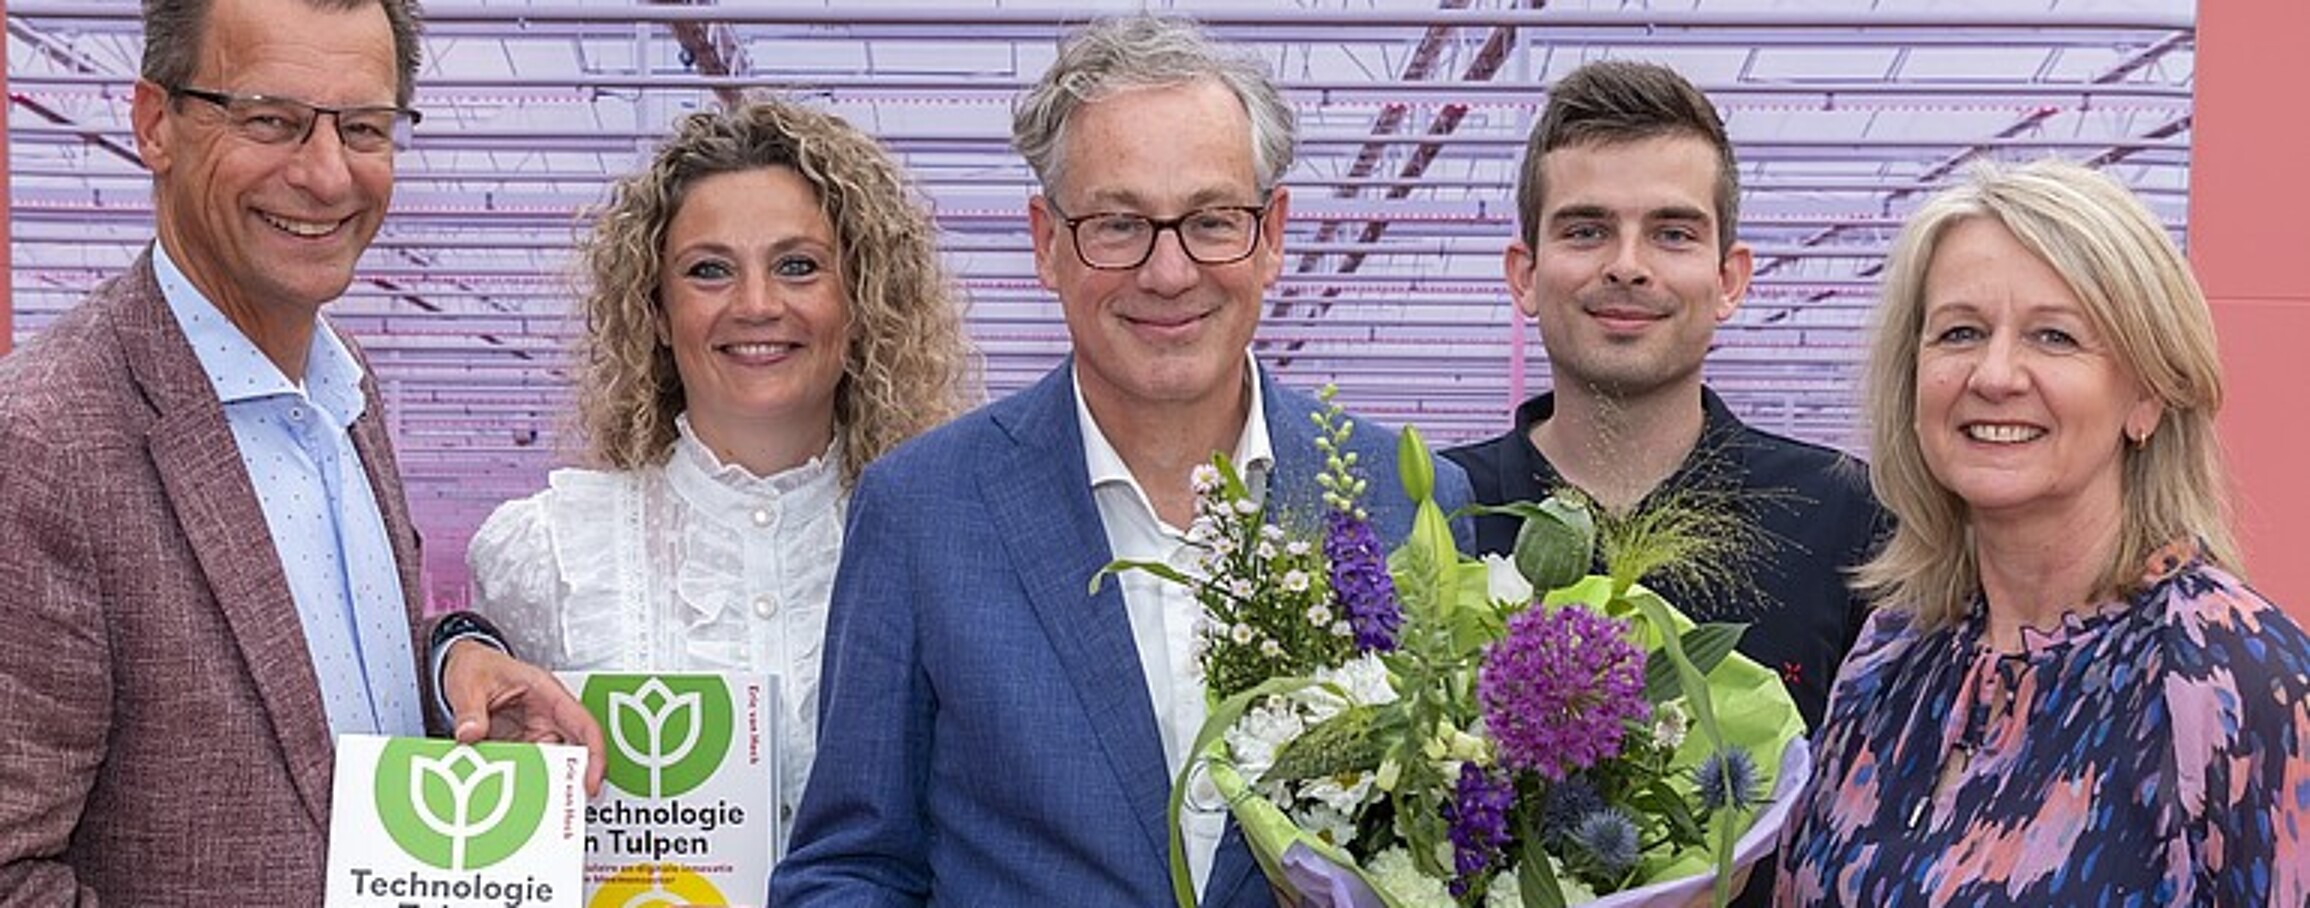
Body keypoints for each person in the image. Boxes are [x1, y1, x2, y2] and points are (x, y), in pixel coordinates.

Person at [772, 14, 1471, 906]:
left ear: (1274, 234)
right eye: (1118, 224)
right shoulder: (923, 511)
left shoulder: (1406, 504)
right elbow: (850, 869)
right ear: (1046, 241)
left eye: (1213, 220)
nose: (1169, 272)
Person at [0, 0, 600, 899]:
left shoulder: (342, 385)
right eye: (271, 120)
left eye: (363, 128)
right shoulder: (48, 440)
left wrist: (448, 668)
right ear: (155, 124)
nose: (326, 175)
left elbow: (311, 659)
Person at [1773, 159, 2310, 905]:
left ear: (2149, 395)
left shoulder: (2238, 680)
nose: (1994, 374)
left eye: (2054, 337)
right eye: (1960, 332)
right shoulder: (1888, 656)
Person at [465, 97, 973, 843]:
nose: (757, 304)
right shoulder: (546, 554)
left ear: (859, 302)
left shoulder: (951, 549)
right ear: (659, 313)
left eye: (798, 266)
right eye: (709, 271)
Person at [1443, 60, 1887, 733]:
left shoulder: (1850, 520)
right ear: (1525, 275)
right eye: (1586, 230)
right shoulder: (1434, 513)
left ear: (1729, 279)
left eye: (1672, 233)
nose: (1627, 264)